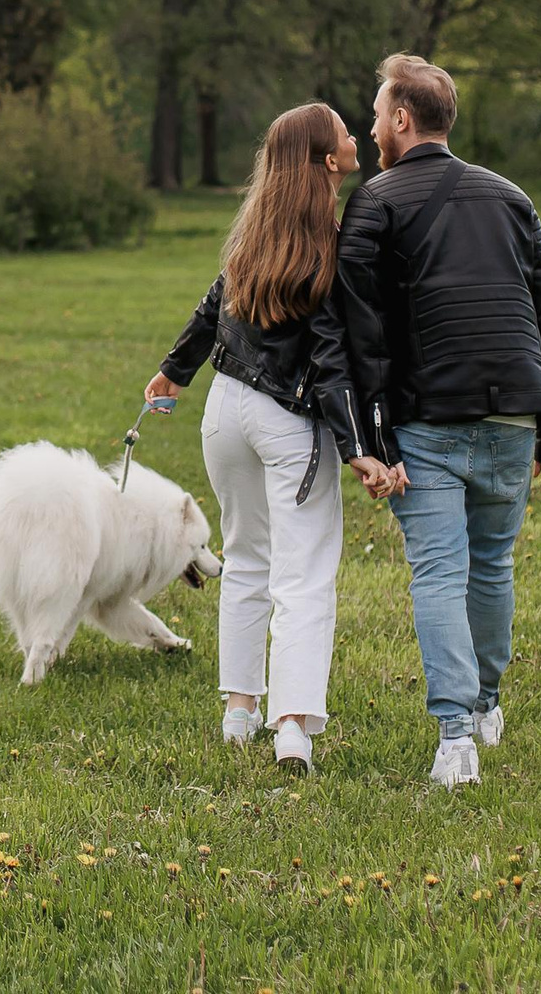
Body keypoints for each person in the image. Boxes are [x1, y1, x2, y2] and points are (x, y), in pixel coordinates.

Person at [333, 54, 541, 789]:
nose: (373, 126)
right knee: (492, 565)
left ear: (402, 119)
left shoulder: (375, 201)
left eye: (378, 114)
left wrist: (371, 439)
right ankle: (488, 705)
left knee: (440, 572)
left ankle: (455, 736)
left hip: (430, 418)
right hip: (514, 413)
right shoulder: (512, 196)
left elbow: (361, 330)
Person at [144, 104, 399, 772]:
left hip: (225, 415)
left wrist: (174, 370)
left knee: (248, 560)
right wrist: (359, 448)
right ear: (326, 161)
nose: (353, 137)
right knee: (304, 574)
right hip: (288, 420)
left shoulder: (254, 232)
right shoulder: (328, 244)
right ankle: (291, 727)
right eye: (344, 132)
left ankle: (238, 711)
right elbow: (330, 357)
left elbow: (213, 301)